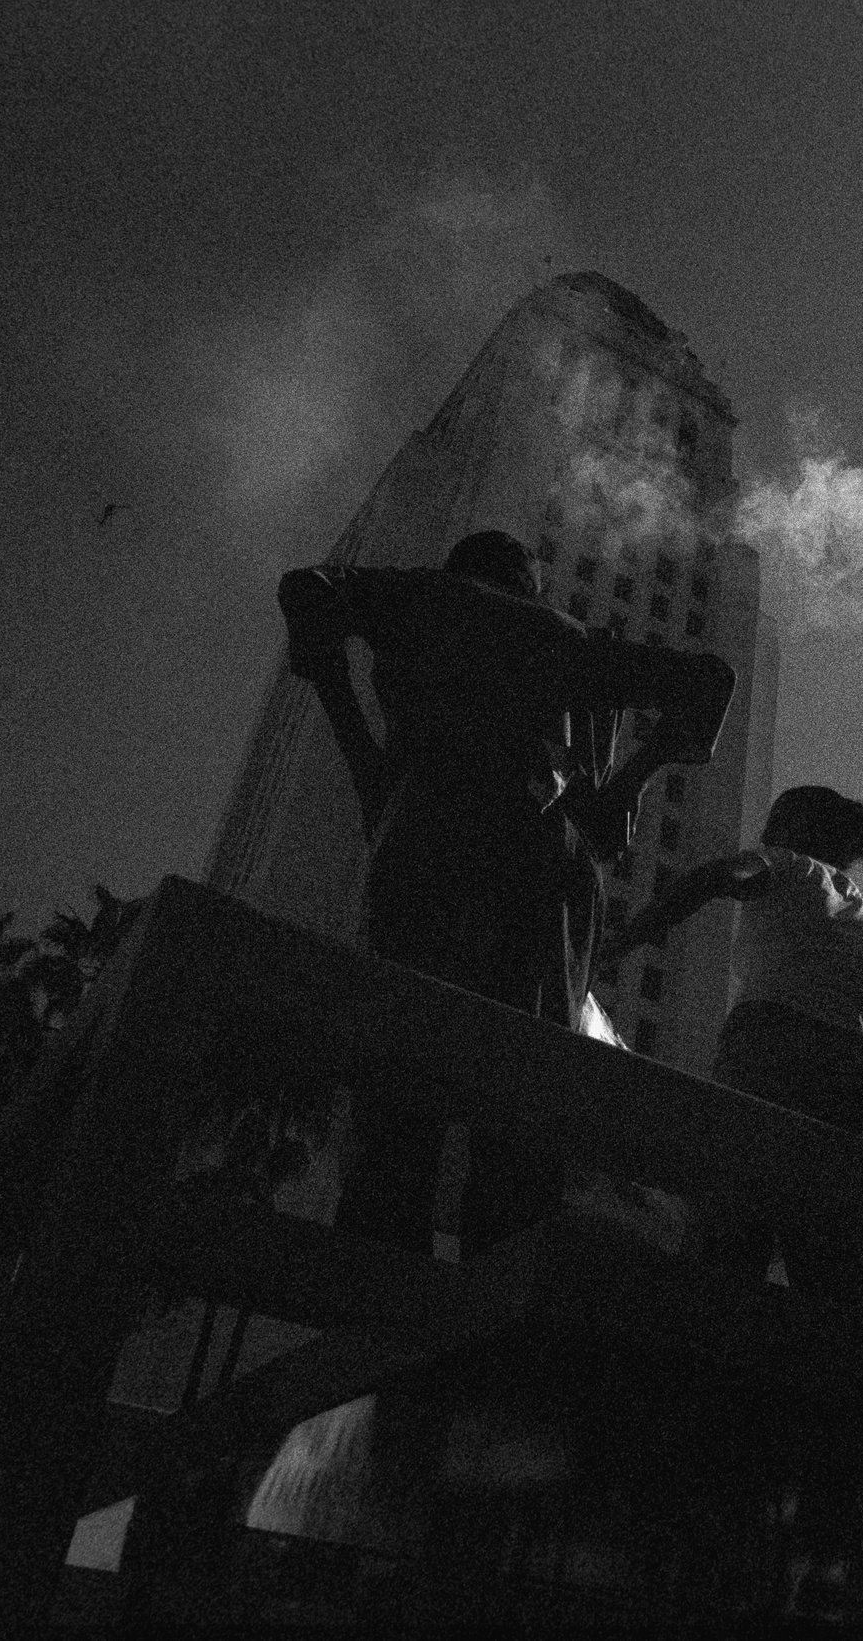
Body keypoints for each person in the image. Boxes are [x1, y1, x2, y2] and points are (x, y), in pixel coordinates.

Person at [279, 528, 736, 1253]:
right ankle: (500, 1297)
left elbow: (307, 588)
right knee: (523, 1096)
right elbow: (709, 679)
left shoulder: (416, 596)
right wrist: (629, 784)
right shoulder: (566, 636)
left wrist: (362, 751)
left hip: (425, 841)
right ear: (525, 579)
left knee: (401, 1084)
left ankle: (371, 1298)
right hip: (539, 860)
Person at [604, 785, 863, 1305]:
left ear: (792, 829)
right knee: (828, 1263)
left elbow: (714, 878)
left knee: (732, 1230)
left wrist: (621, 942)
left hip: (765, 1054)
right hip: (846, 1085)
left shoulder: (788, 865)